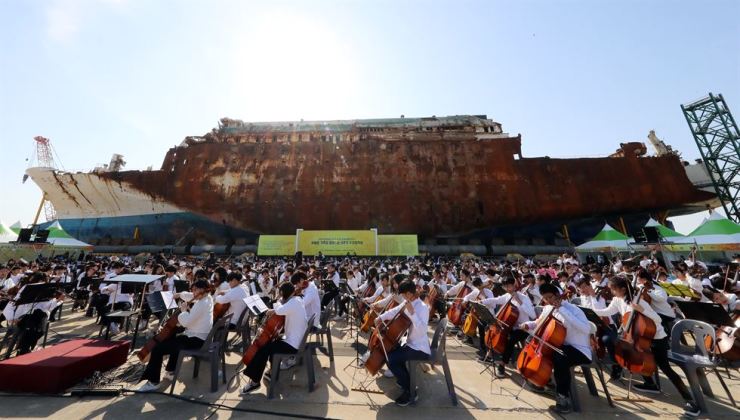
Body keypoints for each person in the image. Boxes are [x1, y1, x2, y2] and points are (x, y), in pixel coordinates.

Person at [591, 276, 700, 417]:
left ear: (623, 289)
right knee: (638, 358)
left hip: (656, 338)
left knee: (665, 367)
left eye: (613, 289)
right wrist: (591, 311)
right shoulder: (618, 300)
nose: (611, 291)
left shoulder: (640, 301)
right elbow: (608, 311)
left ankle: (690, 400)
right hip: (638, 337)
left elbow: (658, 319)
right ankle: (650, 384)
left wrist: (642, 309)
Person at [521, 283, 592, 414]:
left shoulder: (573, 309)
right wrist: (527, 325)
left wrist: (562, 310)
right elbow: (538, 322)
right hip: (561, 345)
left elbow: (586, 329)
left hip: (579, 349)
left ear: (558, 296)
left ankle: (563, 398)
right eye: (545, 298)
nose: (548, 301)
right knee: (544, 354)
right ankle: (546, 382)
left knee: (560, 360)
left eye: (550, 297)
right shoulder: (548, 308)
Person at [138, 279, 214, 392]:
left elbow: (186, 322)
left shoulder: (201, 304)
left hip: (196, 340)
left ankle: (153, 382)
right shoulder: (208, 298)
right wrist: (180, 294)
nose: (193, 293)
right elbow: (190, 297)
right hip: (199, 337)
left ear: (202, 290)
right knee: (175, 339)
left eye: (195, 290)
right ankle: (170, 371)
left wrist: (183, 311)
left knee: (158, 348)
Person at [241, 281, 308, 395]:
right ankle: (272, 372)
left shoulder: (293, 303)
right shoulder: (297, 300)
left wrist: (278, 299)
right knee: (271, 343)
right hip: (295, 339)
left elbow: (278, 310)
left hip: (293, 344)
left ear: (283, 293)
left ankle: (255, 382)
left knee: (263, 349)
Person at [378, 279, 430, 406]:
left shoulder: (422, 307)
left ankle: (411, 392)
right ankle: (406, 381)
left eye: (402, 294)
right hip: (410, 343)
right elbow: (395, 311)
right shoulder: (408, 302)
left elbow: (422, 330)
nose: (401, 297)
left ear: (408, 293)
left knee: (391, 359)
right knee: (389, 353)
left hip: (420, 348)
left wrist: (412, 313)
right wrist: (380, 317)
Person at [480, 276, 535, 376]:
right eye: (506, 287)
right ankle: (490, 354)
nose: (508, 289)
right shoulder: (507, 296)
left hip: (523, 328)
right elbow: (496, 300)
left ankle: (502, 364)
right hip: (510, 326)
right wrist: (482, 302)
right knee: (491, 328)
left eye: (509, 286)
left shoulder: (524, 297)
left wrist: (518, 300)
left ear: (514, 285)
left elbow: (533, 315)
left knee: (510, 340)